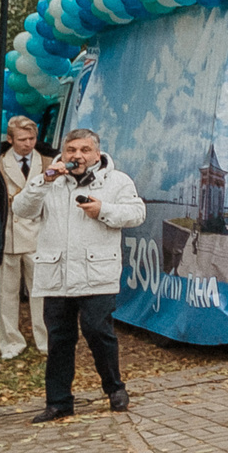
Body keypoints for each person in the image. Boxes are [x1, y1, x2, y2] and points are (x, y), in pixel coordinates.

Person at [16, 128, 145, 421]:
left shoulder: (116, 180)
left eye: (85, 150)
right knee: (59, 338)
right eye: (72, 149)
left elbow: (137, 214)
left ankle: (114, 387)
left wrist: (103, 209)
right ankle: (59, 402)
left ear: (96, 154)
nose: (77, 155)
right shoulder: (49, 180)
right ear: (64, 152)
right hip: (57, 273)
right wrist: (43, 180)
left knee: (98, 331)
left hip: (96, 272)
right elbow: (22, 210)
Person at [0, 114, 50, 360]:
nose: (28, 143)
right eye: (22, 139)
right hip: (7, 233)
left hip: (40, 233)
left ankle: (46, 339)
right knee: (6, 291)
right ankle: (10, 341)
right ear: (10, 139)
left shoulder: (48, 159)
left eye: (32, 138)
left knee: (41, 289)